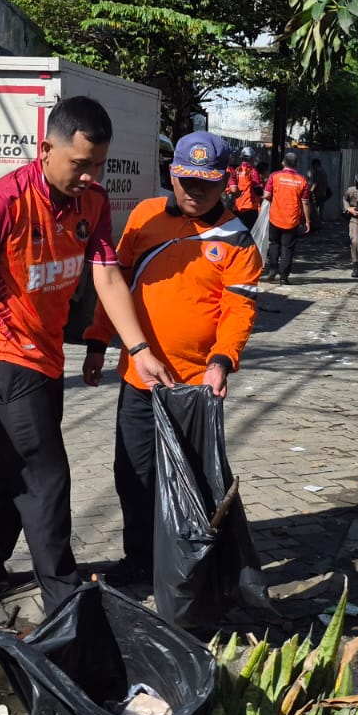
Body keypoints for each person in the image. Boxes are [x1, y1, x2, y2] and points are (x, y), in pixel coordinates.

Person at [0, 95, 175, 616]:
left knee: (15, 468)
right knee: (46, 474)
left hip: (48, 358)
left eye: (98, 164)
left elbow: (106, 275)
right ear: (45, 150)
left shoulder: (92, 201)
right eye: (80, 164)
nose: (89, 176)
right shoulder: (2, 204)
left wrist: (139, 348)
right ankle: (63, 598)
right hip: (2, 361)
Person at [81, 131, 262, 585]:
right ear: (172, 175)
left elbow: (239, 309)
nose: (194, 191)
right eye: (186, 180)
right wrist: (98, 341)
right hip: (139, 379)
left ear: (225, 183)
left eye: (206, 183)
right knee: (133, 473)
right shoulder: (145, 216)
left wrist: (222, 361)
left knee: (193, 481)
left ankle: (191, 563)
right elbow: (115, 284)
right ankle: (141, 558)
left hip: (195, 388)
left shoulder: (238, 240)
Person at [263, 151, 312, 285]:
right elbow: (305, 202)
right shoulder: (302, 180)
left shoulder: (274, 176)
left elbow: (266, 195)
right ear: (297, 164)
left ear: (283, 162)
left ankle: (273, 269)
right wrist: (307, 221)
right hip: (292, 219)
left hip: (275, 217)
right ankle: (284, 277)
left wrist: (274, 200)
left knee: (274, 243)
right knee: (287, 248)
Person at [228, 147, 262, 229]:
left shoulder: (236, 170)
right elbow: (258, 190)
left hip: (237, 207)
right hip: (250, 208)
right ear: (252, 158)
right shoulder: (252, 171)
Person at [307, 158, 334, 230]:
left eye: (313, 165)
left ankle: (317, 224)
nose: (313, 167)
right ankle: (320, 222)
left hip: (318, 193)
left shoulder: (318, 171)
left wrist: (311, 191)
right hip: (323, 192)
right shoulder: (323, 171)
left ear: (316, 164)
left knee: (315, 208)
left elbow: (315, 182)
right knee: (320, 207)